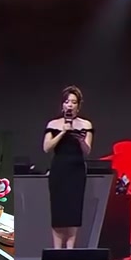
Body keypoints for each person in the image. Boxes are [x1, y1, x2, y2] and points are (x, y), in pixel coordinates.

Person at [43, 85, 93, 249]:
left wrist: (80, 139)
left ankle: (70, 251)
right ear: (62, 105)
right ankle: (57, 251)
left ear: (78, 105)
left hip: (76, 172)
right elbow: (47, 147)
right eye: (67, 102)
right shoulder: (53, 124)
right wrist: (63, 132)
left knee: (73, 212)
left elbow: (87, 151)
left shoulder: (86, 125)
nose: (70, 105)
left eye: (73, 102)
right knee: (58, 211)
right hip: (59, 171)